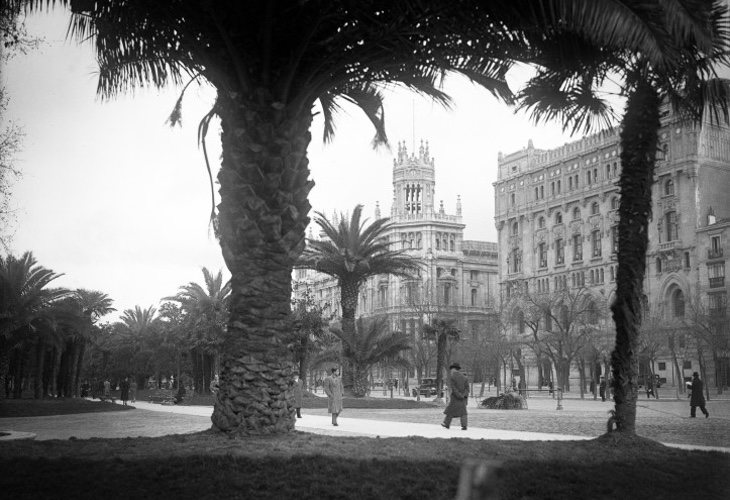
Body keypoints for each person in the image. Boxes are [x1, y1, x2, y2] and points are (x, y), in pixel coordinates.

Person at [441, 363, 469, 430]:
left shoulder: (452, 377)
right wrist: (464, 395)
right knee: (463, 412)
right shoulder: (464, 377)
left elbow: (454, 388)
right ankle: (464, 425)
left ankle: (446, 424)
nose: (450, 371)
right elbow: (467, 388)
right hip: (463, 398)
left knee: (450, 410)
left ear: (453, 369)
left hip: (455, 397)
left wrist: (459, 395)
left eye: (451, 370)